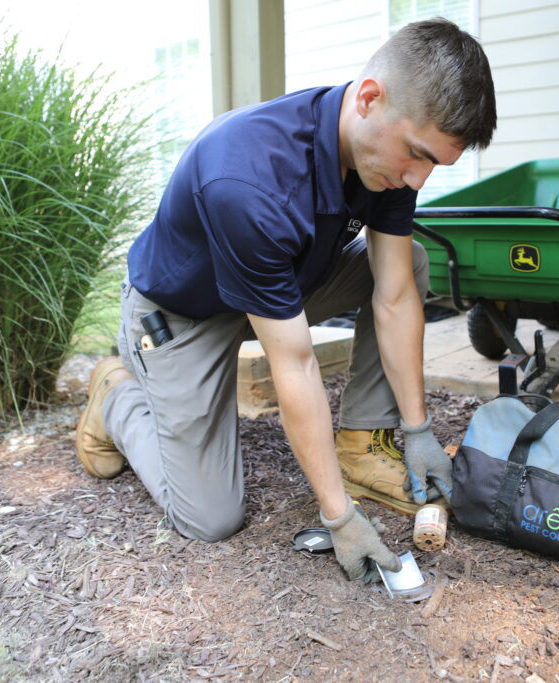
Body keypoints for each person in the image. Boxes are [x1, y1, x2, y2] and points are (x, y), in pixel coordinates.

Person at [74, 18, 496, 581]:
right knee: (210, 517)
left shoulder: (387, 165)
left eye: (433, 166)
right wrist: (339, 515)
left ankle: (361, 443)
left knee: (409, 260)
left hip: (280, 290)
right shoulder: (248, 178)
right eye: (417, 156)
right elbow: (294, 360)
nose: (417, 181)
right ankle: (116, 396)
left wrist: (416, 430)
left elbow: (394, 295)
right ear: (369, 98)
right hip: (184, 316)